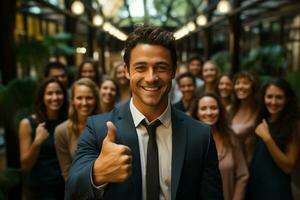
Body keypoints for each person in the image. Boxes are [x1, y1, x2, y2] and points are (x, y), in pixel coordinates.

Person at [66, 25, 223, 200]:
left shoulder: (200, 135)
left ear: (174, 71)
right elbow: (71, 191)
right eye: (141, 68)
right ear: (127, 71)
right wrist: (97, 174)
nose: (151, 78)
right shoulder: (98, 129)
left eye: (161, 68)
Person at [246, 78, 300, 199]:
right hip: (255, 187)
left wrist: (267, 138)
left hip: (276, 191)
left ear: (287, 99)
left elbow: (288, 167)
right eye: (269, 96)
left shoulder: (294, 126)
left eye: (279, 97)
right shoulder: (261, 119)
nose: (273, 102)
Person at [192, 93, 249, 200]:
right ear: (197, 113)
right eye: (203, 108)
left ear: (220, 111)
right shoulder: (189, 140)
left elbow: (242, 175)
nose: (209, 113)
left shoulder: (231, 138)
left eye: (213, 108)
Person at [19, 77, 68, 199]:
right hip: (40, 189)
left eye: (58, 93)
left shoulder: (68, 121)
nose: (55, 97)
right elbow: (25, 165)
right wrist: (37, 142)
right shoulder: (28, 123)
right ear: (42, 97)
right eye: (49, 93)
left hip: (66, 186)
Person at [54, 78, 100, 182]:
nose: (84, 103)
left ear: (96, 99)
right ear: (73, 101)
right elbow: (67, 173)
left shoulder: (107, 125)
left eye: (89, 98)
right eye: (79, 98)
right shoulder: (61, 131)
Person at [229, 71, 259, 164]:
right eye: (237, 83)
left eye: (245, 83)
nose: (240, 86)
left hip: (249, 162)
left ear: (253, 87)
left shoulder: (259, 112)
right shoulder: (231, 109)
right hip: (230, 161)